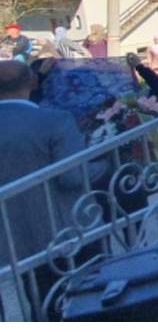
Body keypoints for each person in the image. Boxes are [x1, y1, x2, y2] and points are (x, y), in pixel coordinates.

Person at [0, 60, 107, 309]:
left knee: (41, 302)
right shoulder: (54, 121)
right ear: (33, 82)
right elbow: (72, 177)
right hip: (67, 232)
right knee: (87, 300)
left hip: (13, 240)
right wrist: (106, 164)